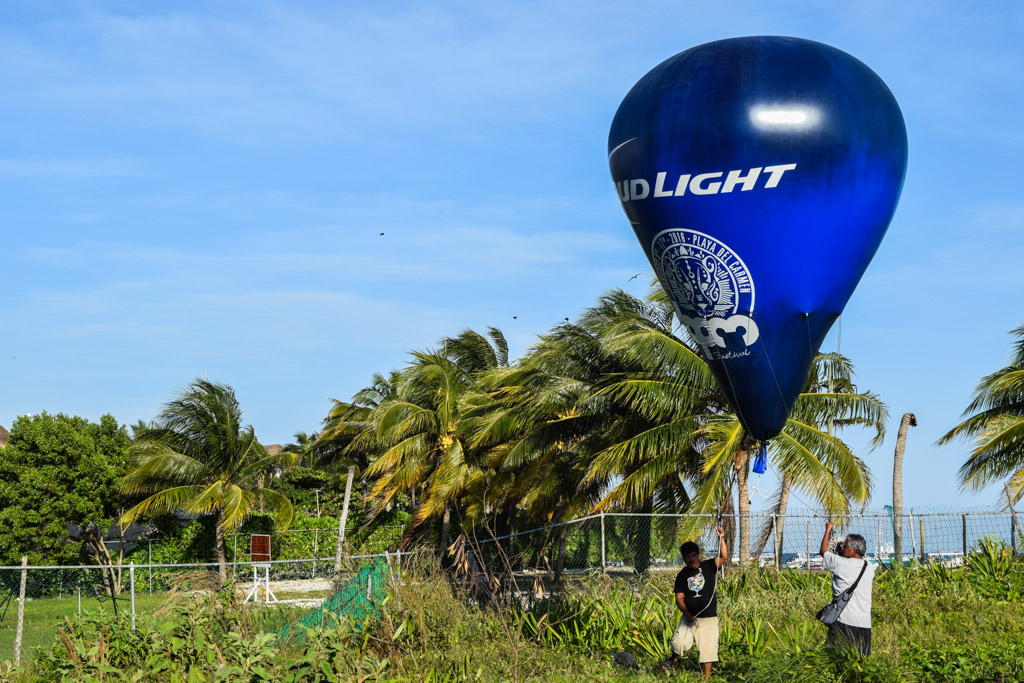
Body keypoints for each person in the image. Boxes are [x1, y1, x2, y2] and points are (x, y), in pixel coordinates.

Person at [665, 526, 729, 680]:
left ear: (699, 555)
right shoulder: (682, 575)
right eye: (687, 557)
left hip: (708, 618)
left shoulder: (708, 566)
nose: (691, 559)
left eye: (693, 555)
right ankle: (673, 658)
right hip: (689, 618)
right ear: (683, 558)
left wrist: (721, 537)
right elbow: (679, 598)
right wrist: (687, 615)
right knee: (680, 644)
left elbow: (724, 557)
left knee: (707, 650)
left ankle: (705, 679)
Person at [819, 519, 876, 657]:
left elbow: (824, 551)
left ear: (854, 549)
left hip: (844, 621)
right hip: (864, 623)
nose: (843, 547)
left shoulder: (841, 564)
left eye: (845, 546)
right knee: (861, 661)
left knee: (834, 658)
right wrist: (842, 552)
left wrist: (828, 528)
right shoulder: (869, 567)